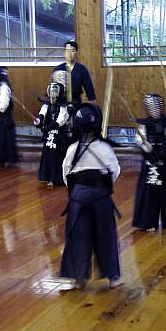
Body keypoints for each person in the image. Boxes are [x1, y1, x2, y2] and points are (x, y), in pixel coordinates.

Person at [60, 103, 123, 289]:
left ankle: (78, 278)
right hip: (101, 199)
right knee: (106, 236)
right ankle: (114, 278)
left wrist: (78, 190)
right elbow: (114, 172)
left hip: (78, 200)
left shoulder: (72, 149)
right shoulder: (105, 148)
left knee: (77, 237)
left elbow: (65, 175)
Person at [132, 93, 166, 232]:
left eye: (156, 106)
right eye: (151, 107)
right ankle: (147, 222)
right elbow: (139, 140)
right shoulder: (144, 125)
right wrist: (146, 148)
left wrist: (161, 152)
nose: (154, 110)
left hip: (164, 162)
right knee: (149, 192)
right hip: (149, 163)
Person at [35, 80, 69, 186]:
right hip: (49, 135)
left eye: (54, 91)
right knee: (48, 154)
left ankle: (57, 178)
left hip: (59, 135)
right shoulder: (47, 105)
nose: (52, 94)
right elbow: (42, 113)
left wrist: (49, 127)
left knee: (56, 156)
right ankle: (48, 176)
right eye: (50, 91)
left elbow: (60, 120)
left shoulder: (63, 106)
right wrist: (39, 121)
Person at [52, 40, 96, 106]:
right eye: (67, 51)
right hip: (60, 102)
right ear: (64, 53)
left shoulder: (82, 69)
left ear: (76, 52)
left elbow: (89, 88)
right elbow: (52, 87)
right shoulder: (58, 69)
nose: (69, 54)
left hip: (76, 102)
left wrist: (94, 107)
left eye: (72, 51)